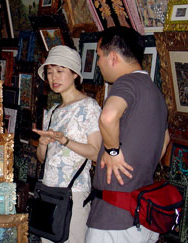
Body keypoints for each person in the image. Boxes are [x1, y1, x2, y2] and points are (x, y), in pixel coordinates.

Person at [85, 27, 169, 243]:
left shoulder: (127, 82)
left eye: (100, 56)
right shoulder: (155, 93)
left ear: (113, 57)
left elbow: (108, 117)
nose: (98, 63)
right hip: (142, 215)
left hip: (114, 219)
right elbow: (165, 139)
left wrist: (114, 152)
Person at [32, 45, 103, 243]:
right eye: (49, 72)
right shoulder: (54, 110)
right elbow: (42, 159)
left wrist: (65, 140)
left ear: (74, 75)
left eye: (60, 71)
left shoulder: (89, 107)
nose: (54, 77)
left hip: (73, 194)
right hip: (48, 192)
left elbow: (96, 153)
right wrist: (43, 144)